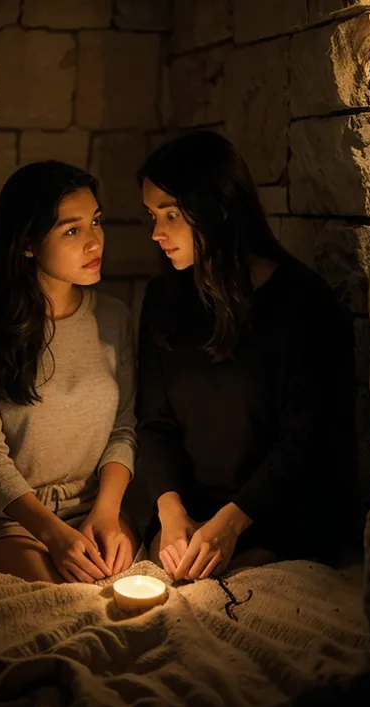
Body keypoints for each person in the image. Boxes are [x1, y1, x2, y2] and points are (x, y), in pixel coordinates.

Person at [135, 131, 355, 581]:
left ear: (218, 208)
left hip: (276, 514)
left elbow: (305, 442)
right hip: (191, 511)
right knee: (176, 573)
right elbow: (155, 422)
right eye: (152, 216)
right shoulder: (164, 299)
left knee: (226, 580)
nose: (157, 233)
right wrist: (171, 511)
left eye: (172, 214)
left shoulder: (303, 303)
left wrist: (232, 522)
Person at [0, 161, 139, 584]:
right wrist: (52, 533)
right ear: (28, 243)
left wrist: (107, 513)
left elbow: (124, 428)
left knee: (119, 585)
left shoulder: (113, 318)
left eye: (96, 222)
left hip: (94, 509)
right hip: (8, 519)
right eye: (72, 231)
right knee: (58, 594)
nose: (94, 241)